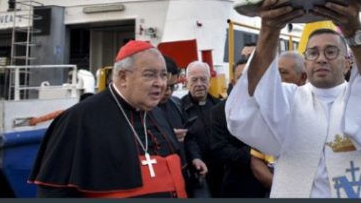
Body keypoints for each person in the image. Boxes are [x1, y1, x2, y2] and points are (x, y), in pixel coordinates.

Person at [226, 0, 361, 198]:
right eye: (313, 53)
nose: (321, 58)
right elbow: (252, 100)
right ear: (305, 64)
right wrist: (269, 29)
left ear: (347, 64)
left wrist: (353, 26)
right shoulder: (289, 99)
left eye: (331, 52)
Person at [28, 41, 187, 198]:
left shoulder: (158, 113)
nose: (160, 84)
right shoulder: (78, 119)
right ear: (123, 77)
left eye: (163, 75)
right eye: (149, 75)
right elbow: (55, 193)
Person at [251, 52, 308, 196]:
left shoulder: (315, 111)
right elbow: (256, 160)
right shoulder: (266, 111)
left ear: (303, 78)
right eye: (274, 74)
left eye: (283, 73)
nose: (275, 80)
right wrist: (280, 186)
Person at [211, 58, 267, 197]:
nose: (246, 81)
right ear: (233, 81)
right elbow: (221, 151)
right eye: (241, 77)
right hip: (239, 186)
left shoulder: (271, 106)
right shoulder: (219, 111)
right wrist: (258, 154)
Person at [157, 56, 208, 197]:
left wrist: (195, 158)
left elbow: (189, 137)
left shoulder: (177, 105)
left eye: (172, 87)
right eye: (165, 86)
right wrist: (169, 137)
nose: (168, 92)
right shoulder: (144, 109)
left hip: (183, 175)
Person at [179, 61, 223, 197]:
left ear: (209, 81)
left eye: (203, 79)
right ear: (186, 82)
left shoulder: (219, 106)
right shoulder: (179, 108)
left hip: (221, 171)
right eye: (194, 80)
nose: (199, 84)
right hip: (195, 173)